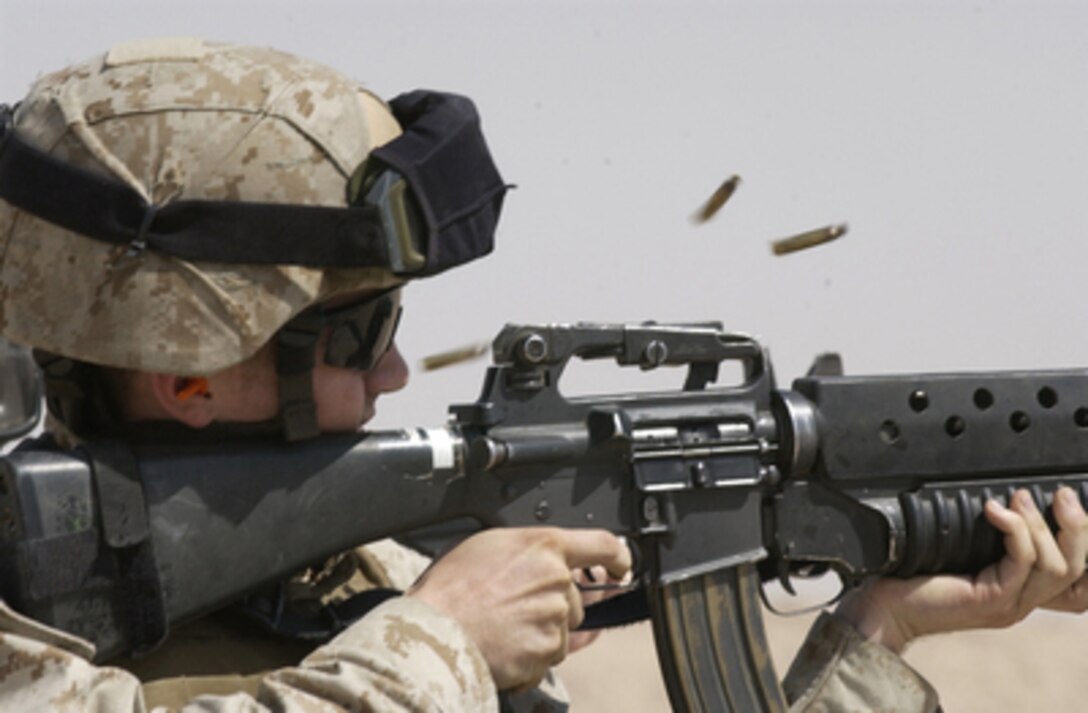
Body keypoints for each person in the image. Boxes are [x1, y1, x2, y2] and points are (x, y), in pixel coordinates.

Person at [0, 38, 1084, 712]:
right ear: (192, 372)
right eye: (355, 330)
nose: (392, 369)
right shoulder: (414, 624)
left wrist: (880, 632)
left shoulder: (356, 585)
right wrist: (440, 649)